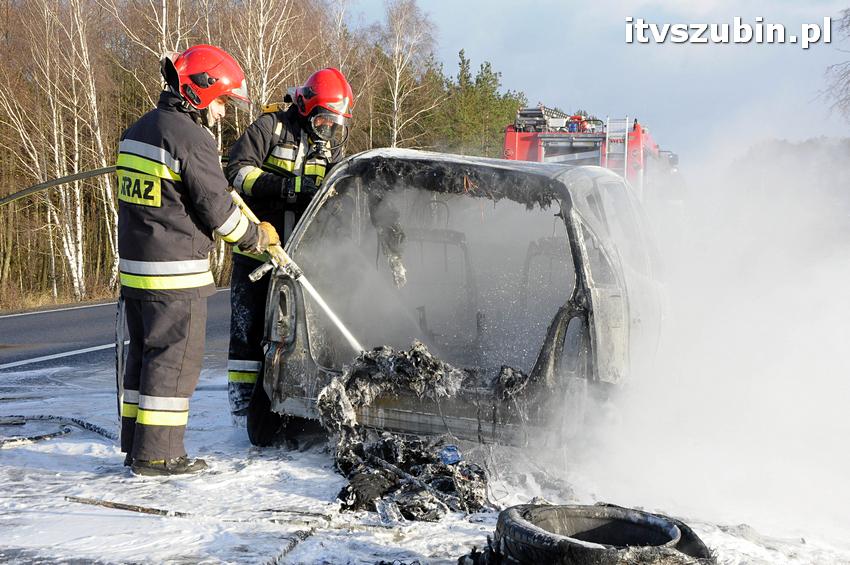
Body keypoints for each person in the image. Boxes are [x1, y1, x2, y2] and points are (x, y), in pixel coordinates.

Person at [117, 44, 280, 476]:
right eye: (223, 101)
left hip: (135, 271)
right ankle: (160, 457)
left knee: (145, 357)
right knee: (174, 363)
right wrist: (256, 238)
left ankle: (136, 445)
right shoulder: (191, 138)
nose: (224, 112)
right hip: (175, 274)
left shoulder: (140, 129)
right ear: (202, 90)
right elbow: (217, 211)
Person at [224, 68, 354, 420]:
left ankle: (293, 399)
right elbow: (236, 171)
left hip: (300, 256)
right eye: (325, 121)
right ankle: (242, 403)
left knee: (299, 331)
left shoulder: (330, 149)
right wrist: (285, 189)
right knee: (248, 329)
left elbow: (339, 191)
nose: (329, 130)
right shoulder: (271, 128)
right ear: (306, 109)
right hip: (258, 249)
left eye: (336, 125)